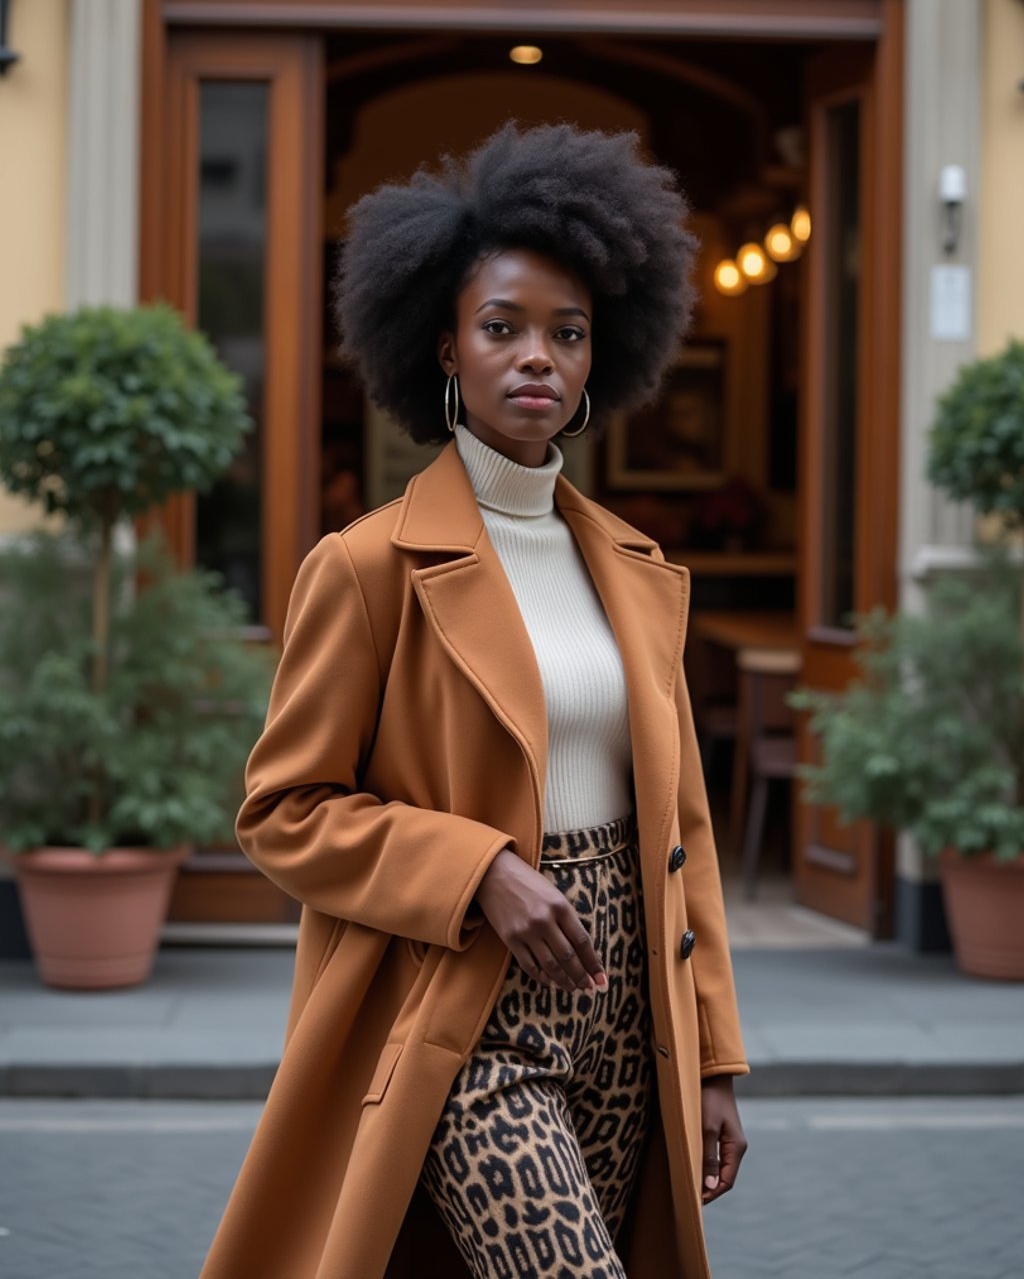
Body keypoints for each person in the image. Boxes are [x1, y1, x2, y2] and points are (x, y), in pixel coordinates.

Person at [199, 121, 750, 1279]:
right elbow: (282, 810)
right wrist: (478, 871)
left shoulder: (635, 571)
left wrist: (710, 1060)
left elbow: (682, 837)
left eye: (567, 332)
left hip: (628, 1026)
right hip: (467, 1025)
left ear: (604, 356)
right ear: (446, 348)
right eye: (500, 328)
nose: (535, 357)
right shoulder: (367, 567)